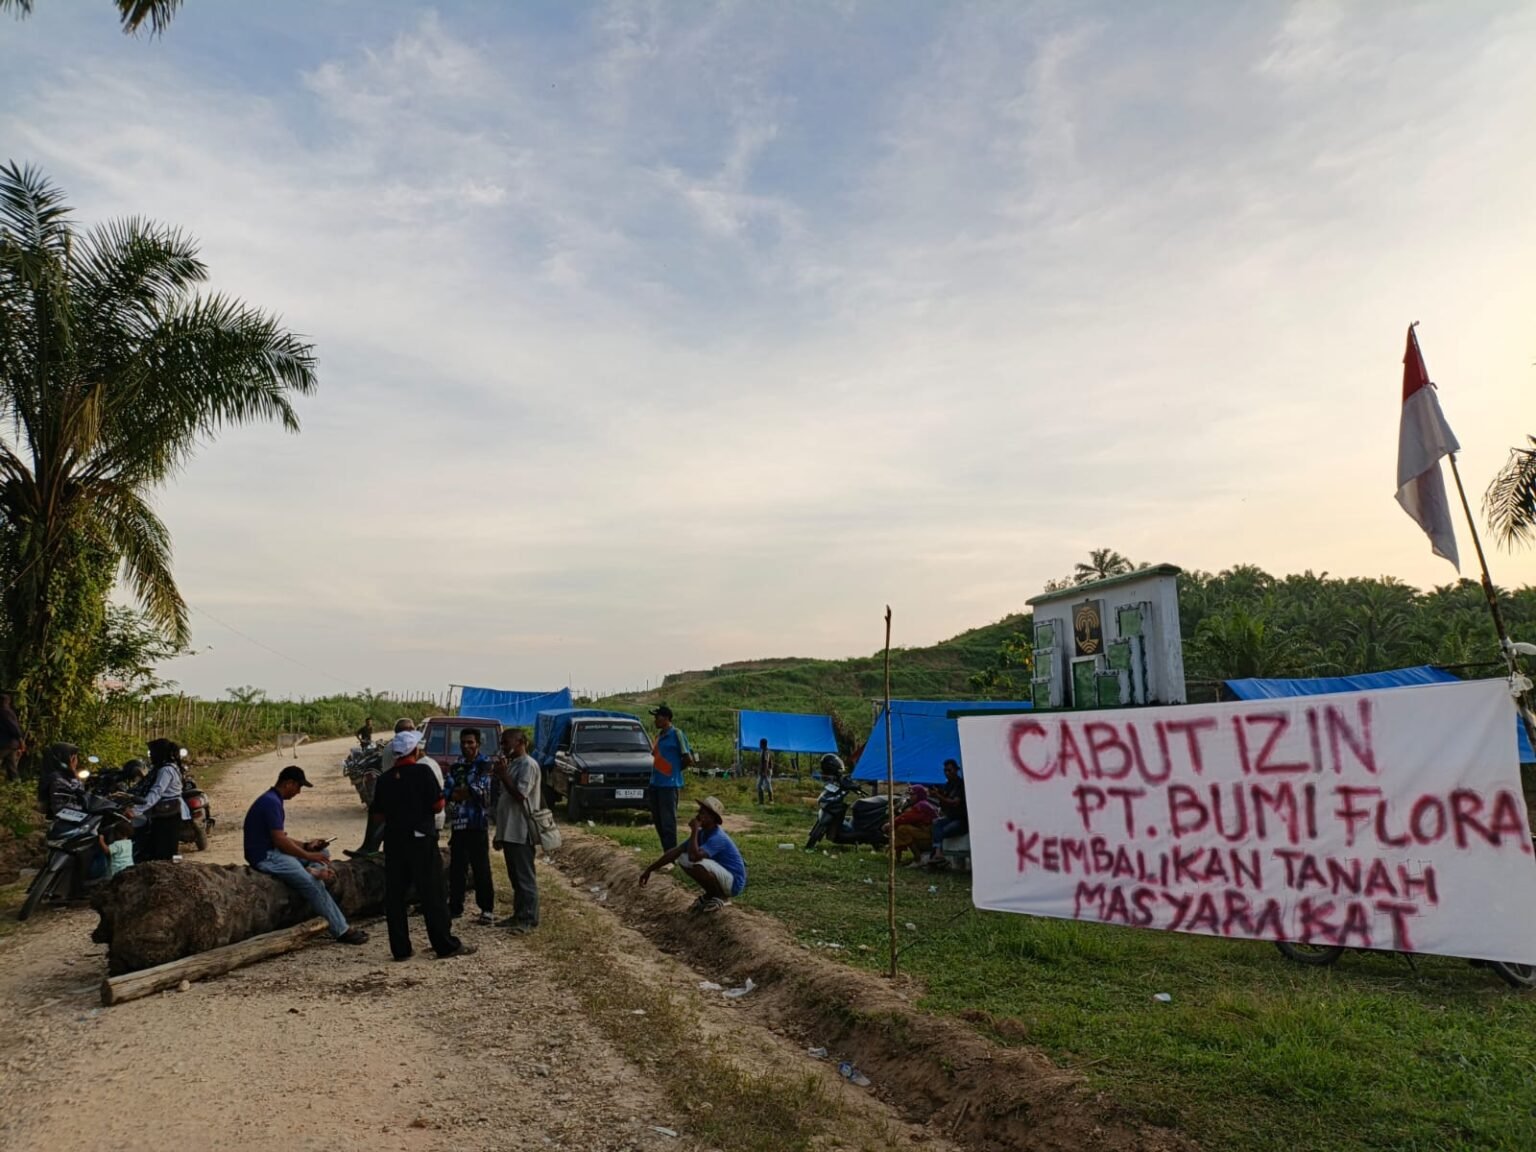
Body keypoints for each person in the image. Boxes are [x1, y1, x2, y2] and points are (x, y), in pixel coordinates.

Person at [370, 729, 473, 961]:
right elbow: (438, 805)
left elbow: (377, 815)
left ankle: (400, 949)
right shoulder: (423, 772)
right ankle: (444, 944)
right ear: (415, 751)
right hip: (421, 838)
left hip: (395, 841)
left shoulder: (385, 779)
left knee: (395, 895)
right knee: (432, 892)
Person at [243, 766, 369, 945]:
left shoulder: (272, 800)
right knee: (313, 885)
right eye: (298, 787)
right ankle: (342, 929)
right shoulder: (271, 803)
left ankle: (314, 870)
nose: (298, 792)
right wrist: (308, 856)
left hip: (273, 850)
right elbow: (280, 841)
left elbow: (281, 837)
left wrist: (307, 846)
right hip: (266, 857)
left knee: (322, 852)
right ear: (289, 783)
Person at [345, 718, 444, 858]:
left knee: (384, 812)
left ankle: (370, 847)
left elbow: (386, 801)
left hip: (408, 827)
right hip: (423, 826)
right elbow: (438, 804)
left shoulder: (395, 765)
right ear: (415, 750)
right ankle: (370, 847)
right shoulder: (425, 768)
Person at [639, 796, 746, 913]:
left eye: (702, 813)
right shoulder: (702, 833)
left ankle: (721, 897)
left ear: (712, 818)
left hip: (733, 882)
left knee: (698, 863)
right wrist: (650, 869)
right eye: (699, 812)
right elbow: (676, 851)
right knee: (682, 857)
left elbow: (694, 857)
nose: (698, 816)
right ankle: (710, 894)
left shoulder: (717, 837)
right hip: (722, 875)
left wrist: (694, 830)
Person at [491, 727, 541, 934]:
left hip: (522, 830)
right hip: (510, 830)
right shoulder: (513, 764)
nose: (503, 747)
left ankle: (528, 919)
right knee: (515, 877)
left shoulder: (528, 765)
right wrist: (499, 833)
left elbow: (520, 795)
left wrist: (503, 775)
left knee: (524, 877)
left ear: (521, 743)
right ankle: (518, 914)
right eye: (502, 743)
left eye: (507, 743)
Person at [445, 727, 495, 925]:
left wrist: (461, 792)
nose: (466, 746)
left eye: (470, 742)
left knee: (481, 868)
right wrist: (461, 792)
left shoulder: (485, 764)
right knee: (457, 868)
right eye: (463, 742)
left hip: (477, 824)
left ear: (478, 744)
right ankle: (455, 907)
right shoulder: (456, 765)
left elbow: (480, 791)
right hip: (459, 824)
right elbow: (448, 792)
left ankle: (487, 909)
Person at [125, 738, 187, 862]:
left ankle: (175, 870)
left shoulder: (166, 770)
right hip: (168, 812)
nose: (151, 756)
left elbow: (156, 792)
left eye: (152, 753)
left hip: (168, 813)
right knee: (167, 847)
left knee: (165, 851)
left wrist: (136, 810)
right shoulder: (165, 767)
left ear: (159, 753)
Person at [648, 704, 692, 852]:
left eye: (657, 717)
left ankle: (671, 854)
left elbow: (687, 758)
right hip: (655, 783)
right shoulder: (658, 737)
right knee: (658, 821)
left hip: (669, 785)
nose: (655, 720)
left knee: (668, 822)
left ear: (666, 718)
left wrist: (674, 772)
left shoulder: (677, 734)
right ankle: (666, 852)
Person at [927, 760, 968, 866]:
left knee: (943, 830)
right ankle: (938, 854)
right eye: (945, 770)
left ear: (956, 770)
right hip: (951, 817)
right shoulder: (947, 785)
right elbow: (944, 805)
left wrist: (938, 796)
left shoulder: (961, 784)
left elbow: (955, 802)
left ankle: (937, 855)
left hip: (961, 820)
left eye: (949, 770)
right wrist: (938, 795)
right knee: (936, 823)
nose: (947, 773)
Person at [886, 784, 937, 865]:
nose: (910, 797)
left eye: (912, 794)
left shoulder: (922, 805)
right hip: (925, 834)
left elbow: (906, 817)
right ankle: (898, 859)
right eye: (910, 795)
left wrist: (890, 824)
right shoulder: (921, 804)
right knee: (898, 827)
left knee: (902, 828)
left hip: (929, 838)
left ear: (919, 794)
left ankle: (918, 858)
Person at [36, 742, 84, 818]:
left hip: (67, 813)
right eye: (73, 757)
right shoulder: (58, 777)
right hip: (67, 815)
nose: (76, 761)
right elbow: (79, 795)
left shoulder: (60, 775)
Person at [0, 691, 23, 781]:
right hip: (11, 743)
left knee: (11, 764)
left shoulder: (4, 712)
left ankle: (15, 782)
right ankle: (15, 782)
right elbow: (14, 727)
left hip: (6, 743)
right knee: (11, 765)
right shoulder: (8, 711)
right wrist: (20, 740)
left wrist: (20, 739)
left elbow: (13, 727)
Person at [755, 738, 774, 806]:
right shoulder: (762, 751)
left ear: (763, 744)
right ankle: (761, 802)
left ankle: (770, 800)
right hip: (762, 771)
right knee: (760, 785)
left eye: (760, 743)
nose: (759, 745)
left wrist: (765, 772)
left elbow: (766, 762)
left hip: (766, 771)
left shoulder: (766, 751)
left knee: (767, 785)